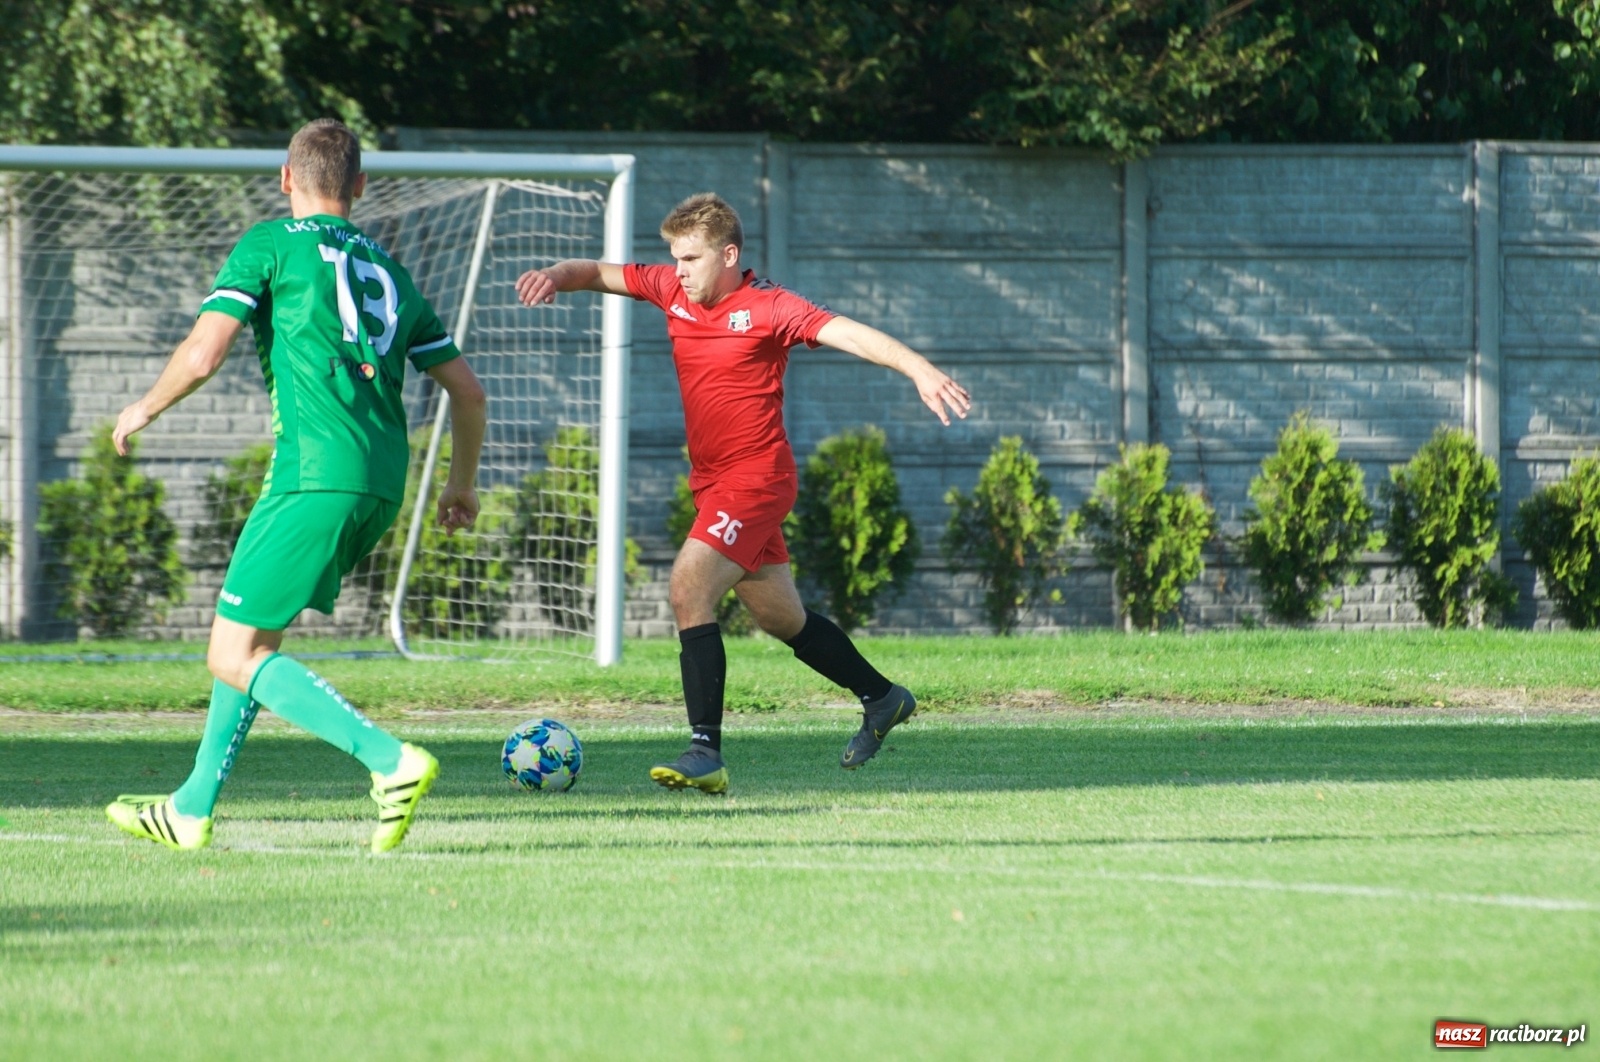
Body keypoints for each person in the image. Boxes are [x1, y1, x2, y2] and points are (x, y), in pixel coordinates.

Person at [104, 119, 487, 853]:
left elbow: (207, 350)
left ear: (286, 179)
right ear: (361, 188)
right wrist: (460, 485)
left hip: (312, 475)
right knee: (249, 643)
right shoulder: (393, 272)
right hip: (380, 483)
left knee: (230, 653)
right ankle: (192, 807)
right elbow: (468, 394)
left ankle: (391, 762)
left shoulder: (271, 244)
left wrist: (145, 405)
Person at [515, 192, 970, 793]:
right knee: (781, 618)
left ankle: (705, 750)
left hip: (757, 480)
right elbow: (597, 273)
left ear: (728, 255)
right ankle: (883, 698)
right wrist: (552, 276)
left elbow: (849, 334)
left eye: (691, 258)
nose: (678, 271)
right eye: (674, 258)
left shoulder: (769, 306)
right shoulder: (671, 290)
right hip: (713, 483)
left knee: (687, 587)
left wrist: (917, 367)